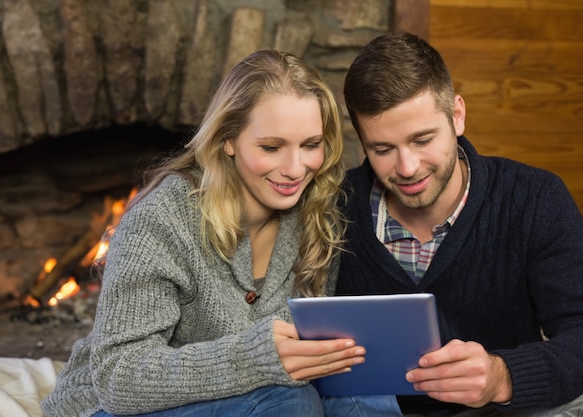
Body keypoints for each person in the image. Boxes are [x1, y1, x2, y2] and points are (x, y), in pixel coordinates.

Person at [41, 50, 401, 417]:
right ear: (228, 140)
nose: (296, 169)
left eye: (311, 145)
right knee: (289, 401)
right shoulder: (162, 218)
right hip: (115, 407)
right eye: (271, 147)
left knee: (361, 390)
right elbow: (119, 377)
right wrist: (256, 357)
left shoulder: (320, 211)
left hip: (247, 401)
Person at [337, 32, 583, 417]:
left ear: (457, 115)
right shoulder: (334, 209)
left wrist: (504, 377)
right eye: (382, 149)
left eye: (423, 140)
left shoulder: (535, 198)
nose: (407, 168)